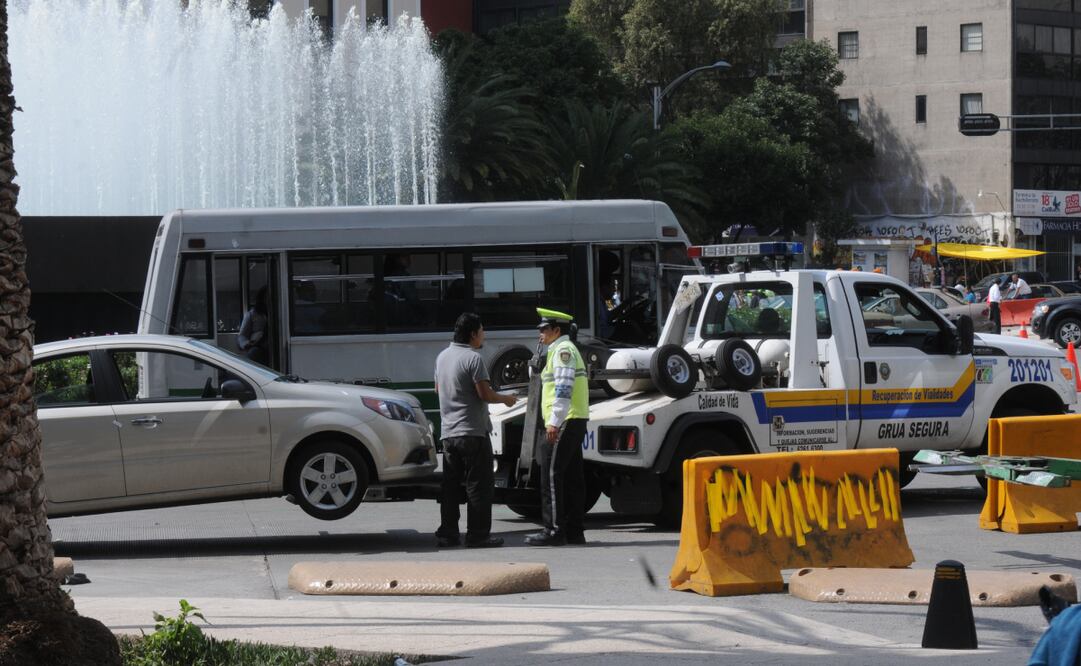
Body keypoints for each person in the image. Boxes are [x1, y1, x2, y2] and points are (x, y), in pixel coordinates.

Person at [434, 313, 517, 549]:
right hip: (472, 433)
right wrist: (506, 399)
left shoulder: (442, 357)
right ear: (472, 334)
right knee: (478, 487)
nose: (484, 335)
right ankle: (478, 535)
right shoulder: (473, 359)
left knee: (450, 487)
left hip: (449, 433)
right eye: (482, 331)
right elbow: (485, 394)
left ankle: (448, 533)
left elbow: (438, 389)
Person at [526, 308, 589, 547]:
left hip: (564, 420)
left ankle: (553, 531)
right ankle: (574, 531)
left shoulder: (563, 351)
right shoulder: (560, 350)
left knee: (551, 475)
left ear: (556, 330)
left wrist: (554, 422)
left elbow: (563, 388)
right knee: (572, 477)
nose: (540, 333)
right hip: (573, 419)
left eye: (544, 329)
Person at [237, 287, 269, 365]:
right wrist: (247, 344)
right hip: (258, 347)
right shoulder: (252, 314)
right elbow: (242, 335)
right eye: (266, 297)